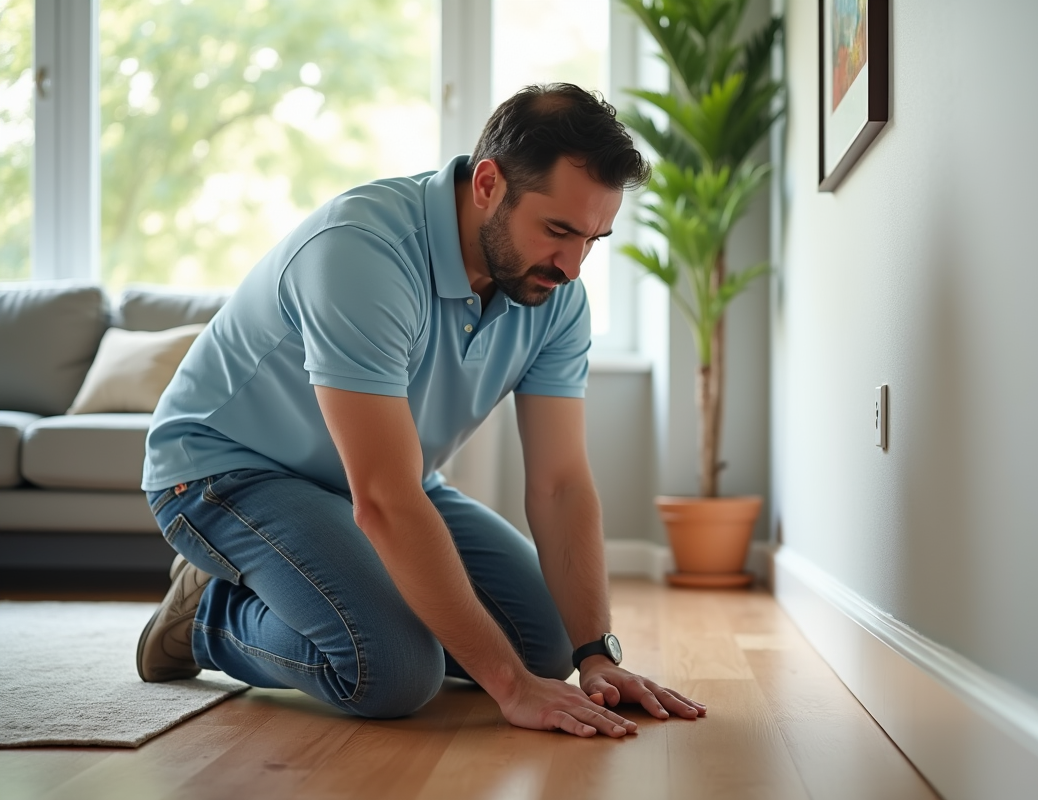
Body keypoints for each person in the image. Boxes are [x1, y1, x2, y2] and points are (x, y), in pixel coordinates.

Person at [136, 83, 705, 738]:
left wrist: (594, 656)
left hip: (386, 484)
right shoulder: (363, 252)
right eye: (557, 231)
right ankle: (210, 616)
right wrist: (511, 690)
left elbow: (560, 484)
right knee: (394, 671)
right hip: (225, 474)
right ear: (488, 184)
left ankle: (311, 578)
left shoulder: (554, 297)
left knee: (543, 646)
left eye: (593, 239)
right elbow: (381, 498)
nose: (573, 267)